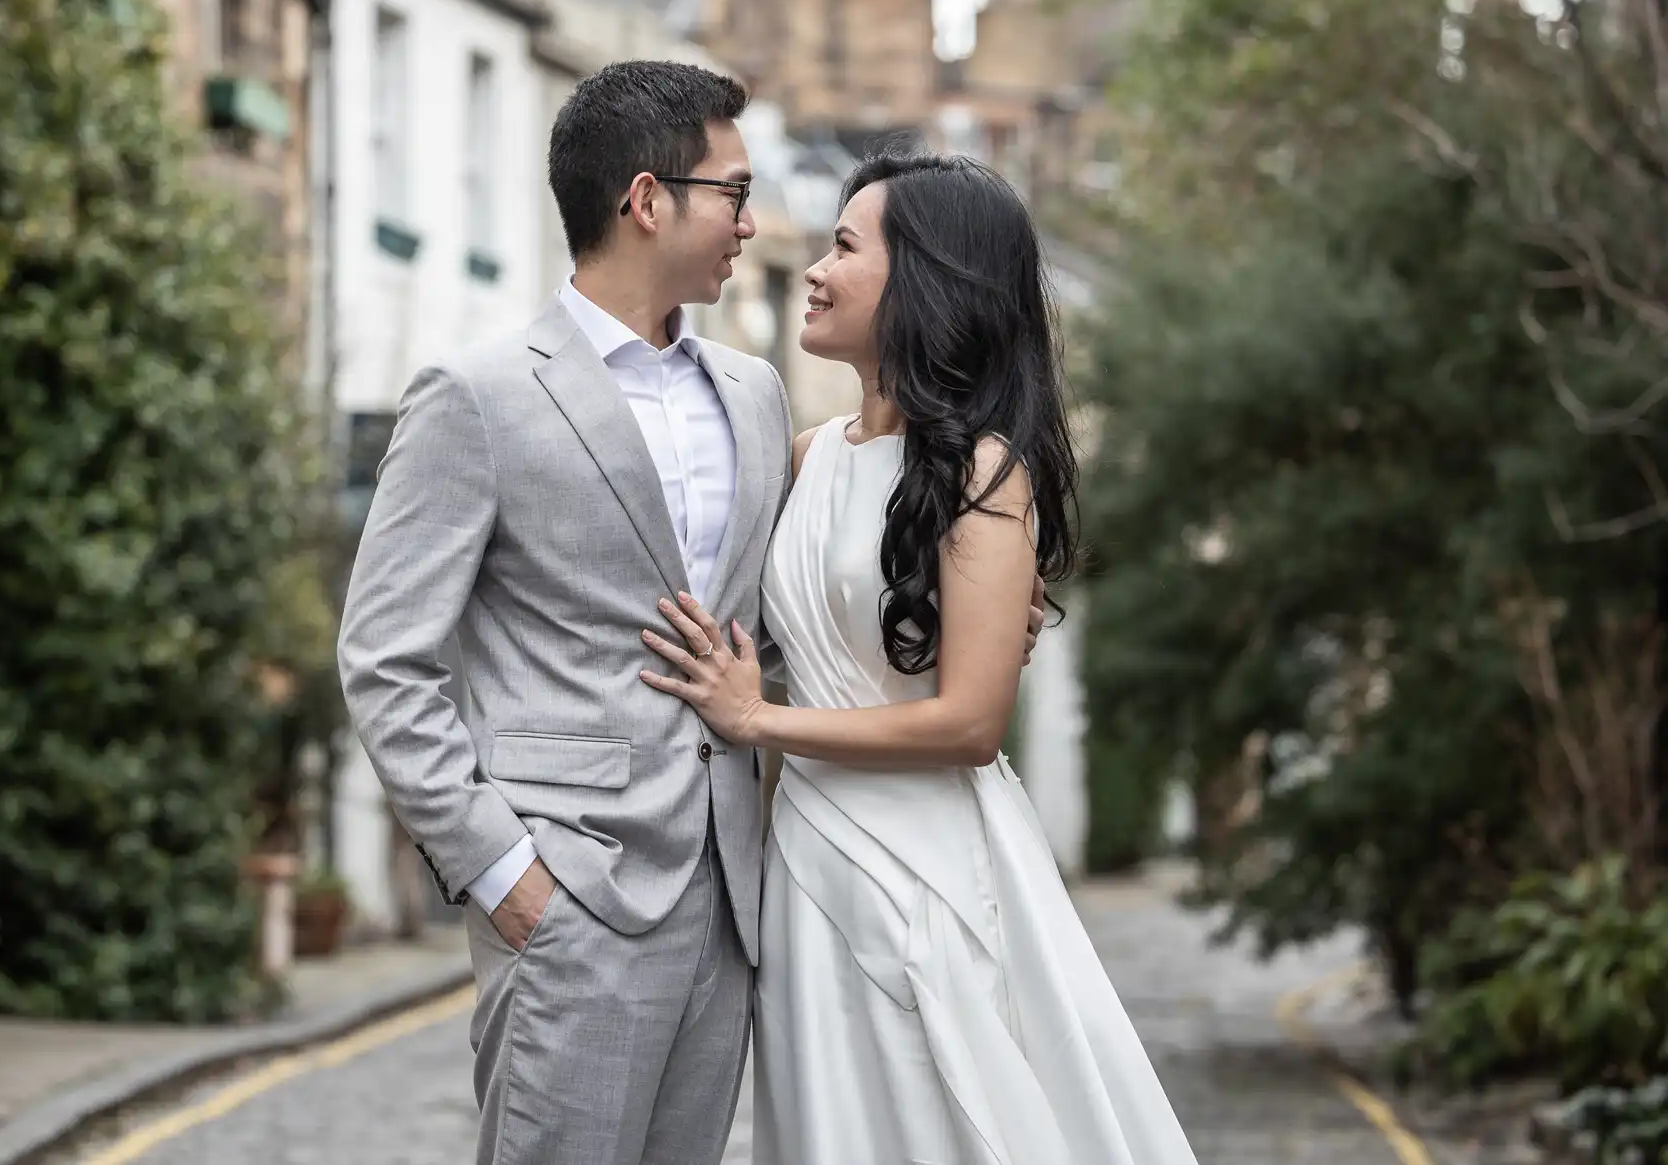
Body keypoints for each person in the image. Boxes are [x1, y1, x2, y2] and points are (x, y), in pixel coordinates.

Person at [338, 63, 1045, 1164]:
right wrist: (500, 875)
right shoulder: (475, 396)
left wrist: (979, 562)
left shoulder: (757, 397)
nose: (753, 223)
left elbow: (822, 580)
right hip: (567, 894)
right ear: (645, 199)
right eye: (731, 191)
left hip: (736, 906)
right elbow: (385, 658)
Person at [641, 153, 1199, 1164]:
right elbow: (772, 628)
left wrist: (757, 719)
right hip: (804, 857)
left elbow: (968, 724)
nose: (813, 269)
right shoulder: (806, 455)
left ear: (927, 280)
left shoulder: (985, 470)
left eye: (845, 247)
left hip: (923, 863)